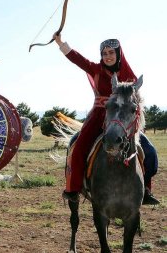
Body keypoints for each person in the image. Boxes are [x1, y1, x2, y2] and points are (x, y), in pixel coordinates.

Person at [54, 34, 159, 205]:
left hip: (124, 120)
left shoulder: (129, 74)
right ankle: (73, 189)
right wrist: (60, 43)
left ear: (119, 54)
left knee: (150, 151)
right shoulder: (95, 69)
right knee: (79, 147)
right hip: (98, 117)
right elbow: (77, 59)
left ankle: (145, 190)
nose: (108, 56)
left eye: (111, 52)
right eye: (104, 53)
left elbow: (136, 103)